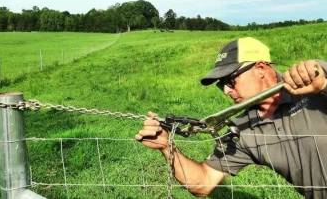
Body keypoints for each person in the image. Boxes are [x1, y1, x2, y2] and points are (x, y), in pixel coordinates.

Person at [135, 37, 327, 198]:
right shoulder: (241, 130)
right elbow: (203, 182)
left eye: (230, 80)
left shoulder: (313, 79)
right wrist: (167, 146)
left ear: (260, 68)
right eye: (221, 85)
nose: (226, 90)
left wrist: (324, 86)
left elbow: (319, 78)